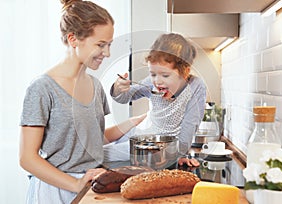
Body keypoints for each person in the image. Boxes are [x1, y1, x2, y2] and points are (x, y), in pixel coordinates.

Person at [19, 1, 144, 203]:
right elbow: (27, 158)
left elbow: (93, 138)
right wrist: (74, 184)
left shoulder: (95, 85)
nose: (107, 53)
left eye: (109, 45)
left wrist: (137, 121)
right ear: (73, 39)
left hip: (90, 184)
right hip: (55, 189)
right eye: (100, 44)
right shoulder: (42, 88)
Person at [105, 33, 206, 167]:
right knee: (99, 154)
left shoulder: (195, 87)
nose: (157, 81)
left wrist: (179, 154)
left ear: (185, 72)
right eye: (153, 74)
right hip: (140, 139)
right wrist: (118, 88)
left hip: (164, 149)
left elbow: (189, 128)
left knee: (102, 154)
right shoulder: (151, 84)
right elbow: (125, 97)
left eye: (165, 75)